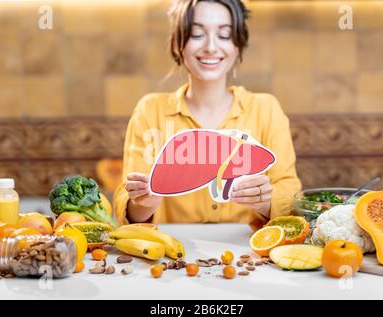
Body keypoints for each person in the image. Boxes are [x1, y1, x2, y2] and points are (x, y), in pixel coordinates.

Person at [113, 0, 301, 230]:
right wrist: (144, 203)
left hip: (248, 254)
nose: (211, 47)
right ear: (176, 44)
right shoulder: (149, 110)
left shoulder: (266, 109)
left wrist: (265, 202)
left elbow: (290, 191)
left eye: (224, 35)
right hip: (171, 255)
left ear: (238, 46)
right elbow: (128, 205)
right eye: (197, 34)